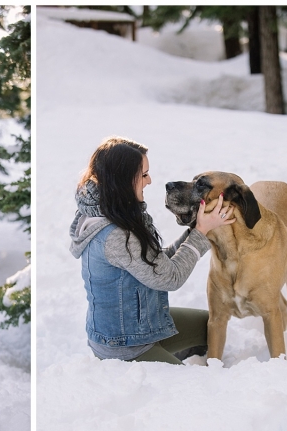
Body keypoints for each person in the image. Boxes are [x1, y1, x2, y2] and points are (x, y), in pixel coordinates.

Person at [69, 136, 235, 364]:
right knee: (195, 388)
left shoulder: (112, 209)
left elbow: (153, 263)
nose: (150, 181)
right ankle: (163, 366)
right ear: (123, 179)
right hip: (125, 345)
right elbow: (170, 277)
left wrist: (199, 230)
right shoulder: (116, 234)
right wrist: (200, 233)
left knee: (212, 324)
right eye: (144, 174)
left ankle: (171, 357)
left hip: (143, 323)